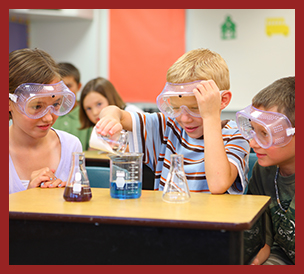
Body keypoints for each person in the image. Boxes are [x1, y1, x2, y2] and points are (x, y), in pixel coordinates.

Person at [96, 48, 250, 194]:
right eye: (176, 108)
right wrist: (110, 118)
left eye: (195, 108)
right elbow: (116, 112)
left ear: (222, 100)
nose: (184, 118)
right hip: (168, 218)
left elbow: (218, 185)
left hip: (211, 221)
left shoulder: (236, 134)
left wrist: (210, 117)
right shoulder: (166, 126)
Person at [236, 76, 295, 265]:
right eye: (253, 131)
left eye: (265, 134)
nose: (253, 143)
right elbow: (266, 242)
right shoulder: (264, 172)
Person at [9, 48, 82, 194]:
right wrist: (28, 197)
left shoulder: (70, 146)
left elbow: (78, 212)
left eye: (56, 104)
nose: (48, 118)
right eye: (37, 106)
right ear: (9, 102)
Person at [53, 63, 93, 150]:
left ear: (79, 87)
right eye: (60, 86)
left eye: (69, 86)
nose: (64, 91)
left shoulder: (87, 113)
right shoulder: (49, 114)